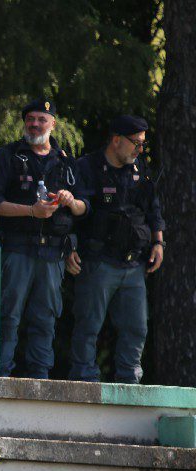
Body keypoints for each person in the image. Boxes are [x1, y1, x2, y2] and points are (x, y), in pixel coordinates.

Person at [0, 98, 89, 378]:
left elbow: (84, 207)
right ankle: (0, 374)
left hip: (53, 254)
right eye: (30, 119)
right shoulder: (7, 156)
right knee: (8, 316)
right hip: (17, 249)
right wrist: (31, 211)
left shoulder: (66, 164)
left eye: (41, 119)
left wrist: (70, 200)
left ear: (53, 124)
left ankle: (40, 378)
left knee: (45, 319)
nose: (35, 124)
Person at [67, 115, 166, 384]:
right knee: (88, 325)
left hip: (134, 264)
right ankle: (84, 378)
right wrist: (70, 247)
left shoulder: (140, 170)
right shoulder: (87, 167)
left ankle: (129, 381)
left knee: (136, 328)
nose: (139, 149)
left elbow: (153, 209)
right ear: (116, 140)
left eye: (143, 144)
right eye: (135, 143)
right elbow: (72, 215)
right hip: (98, 260)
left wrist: (158, 242)